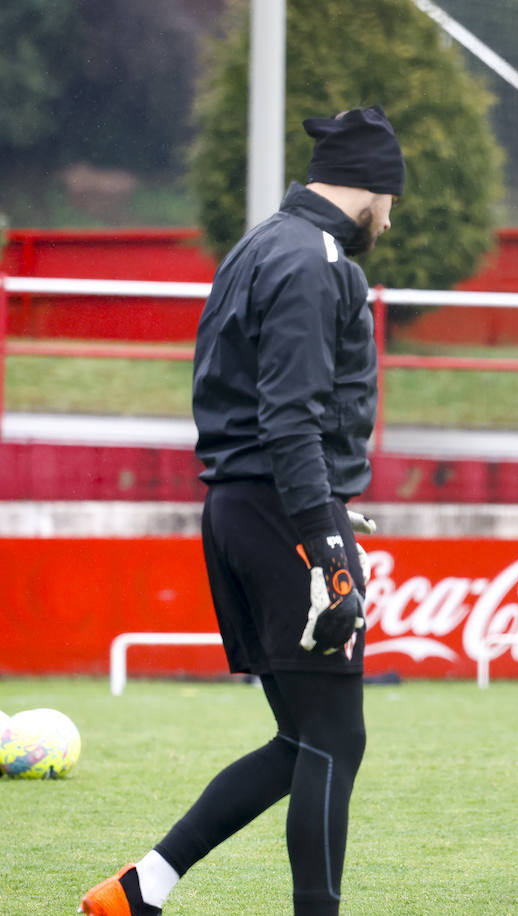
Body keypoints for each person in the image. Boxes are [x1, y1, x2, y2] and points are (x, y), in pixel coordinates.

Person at [80, 105, 404, 916]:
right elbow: (290, 416)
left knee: (305, 738)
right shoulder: (319, 259)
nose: (392, 218)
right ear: (373, 187)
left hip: (245, 506)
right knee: (334, 740)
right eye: (393, 199)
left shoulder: (259, 244)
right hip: (281, 517)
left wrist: (324, 499)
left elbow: (261, 406)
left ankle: (141, 888)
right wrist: (326, 544)